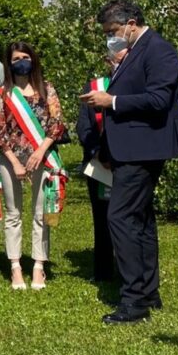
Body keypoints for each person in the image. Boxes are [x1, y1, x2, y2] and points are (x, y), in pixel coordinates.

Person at [81, 0, 178, 324]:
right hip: (133, 148)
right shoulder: (141, 50)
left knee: (121, 218)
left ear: (132, 22)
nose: (112, 38)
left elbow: (158, 99)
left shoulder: (158, 50)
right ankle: (147, 293)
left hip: (143, 149)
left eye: (113, 31)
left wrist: (111, 101)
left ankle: (133, 301)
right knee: (139, 220)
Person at [0, 42, 66, 290]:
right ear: (9, 63)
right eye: (16, 58)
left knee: (40, 213)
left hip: (42, 157)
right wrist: (14, 161)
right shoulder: (1, 94)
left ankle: (38, 266)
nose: (21, 61)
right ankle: (15, 267)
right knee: (13, 213)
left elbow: (56, 124)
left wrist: (40, 151)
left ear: (33, 60)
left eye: (25, 57)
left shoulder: (47, 90)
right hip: (11, 158)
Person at [77, 43, 127, 281]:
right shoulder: (94, 87)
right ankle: (104, 270)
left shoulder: (135, 87)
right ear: (108, 62)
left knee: (130, 218)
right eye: (117, 60)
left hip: (129, 162)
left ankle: (129, 268)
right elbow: (84, 126)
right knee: (103, 217)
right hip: (100, 165)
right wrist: (98, 152)